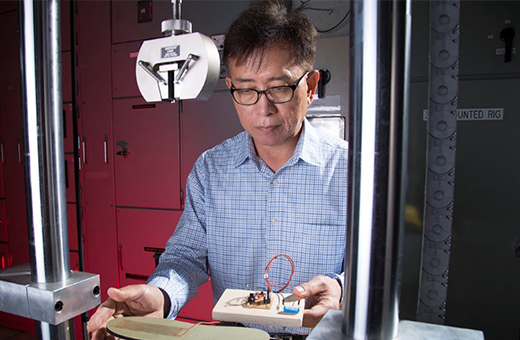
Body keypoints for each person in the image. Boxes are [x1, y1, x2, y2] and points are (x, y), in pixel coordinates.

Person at [87, 0, 347, 339]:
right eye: (247, 90)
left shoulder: (351, 172)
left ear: (310, 86)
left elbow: (376, 268)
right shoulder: (211, 170)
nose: (262, 108)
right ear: (231, 89)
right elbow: (185, 257)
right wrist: (161, 295)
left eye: (279, 88)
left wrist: (341, 287)